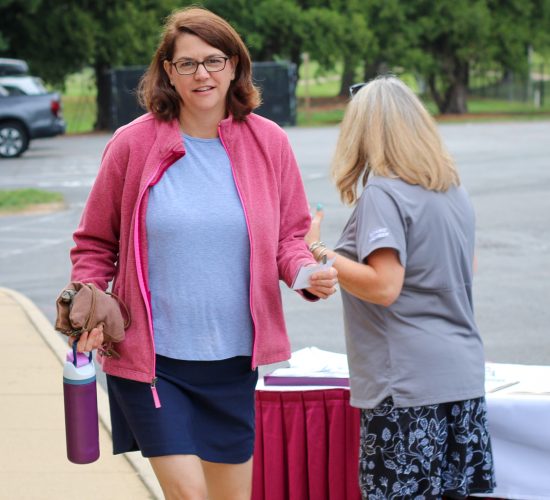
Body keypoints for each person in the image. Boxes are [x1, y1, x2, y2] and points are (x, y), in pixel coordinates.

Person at [66, 7, 337, 500]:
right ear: (168, 70)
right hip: (152, 360)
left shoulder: (268, 142)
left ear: (234, 65)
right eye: (186, 63)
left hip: (233, 362)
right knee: (189, 495)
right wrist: (90, 306)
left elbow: (289, 237)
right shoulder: (132, 144)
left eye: (213, 60)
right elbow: (94, 243)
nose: (202, 74)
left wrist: (303, 273)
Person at [306, 75, 496, 499]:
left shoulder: (383, 195)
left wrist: (317, 249)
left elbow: (385, 286)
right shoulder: (452, 191)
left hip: (407, 386)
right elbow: (469, 265)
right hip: (461, 377)